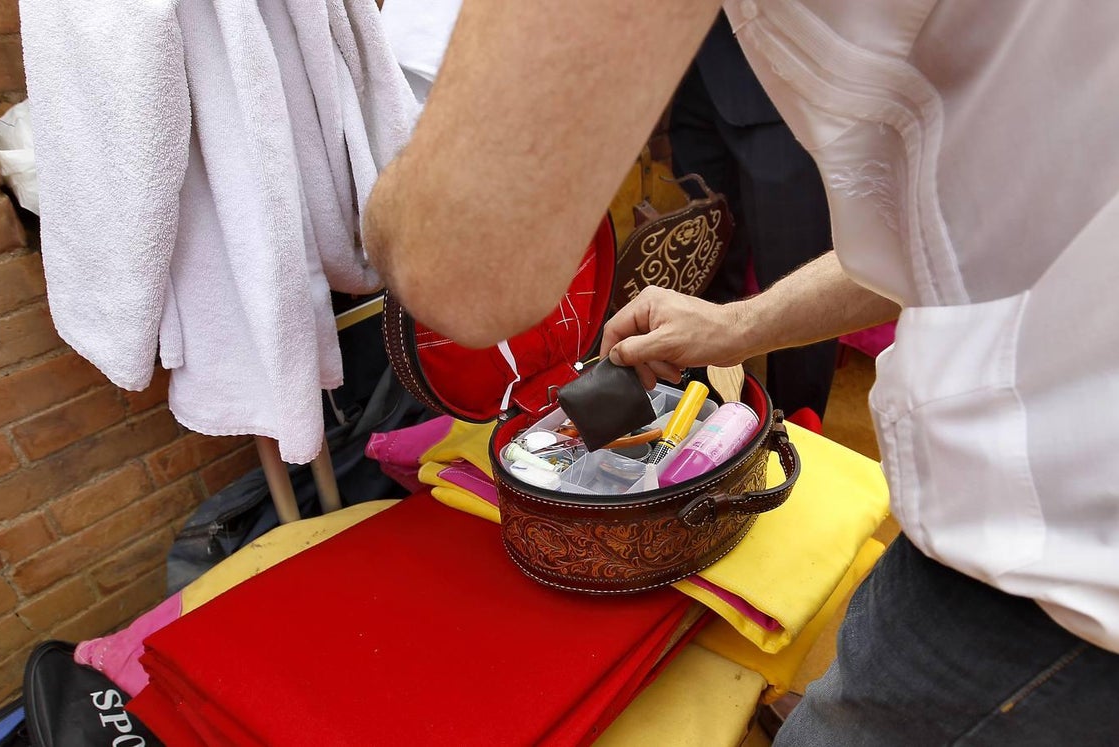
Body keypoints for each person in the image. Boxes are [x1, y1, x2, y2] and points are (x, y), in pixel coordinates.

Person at [365, 2, 1119, 744]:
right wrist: (733, 326)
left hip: (1054, 552)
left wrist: (377, 205)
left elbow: (456, 271)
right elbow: (961, 221)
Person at [669, 14, 838, 419]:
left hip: (786, 68)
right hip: (696, 60)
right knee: (703, 266)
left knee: (796, 269)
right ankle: (709, 420)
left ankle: (798, 432)